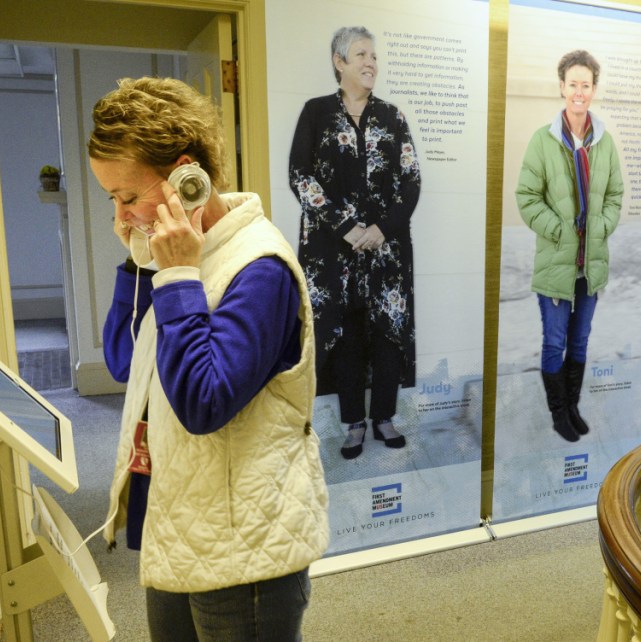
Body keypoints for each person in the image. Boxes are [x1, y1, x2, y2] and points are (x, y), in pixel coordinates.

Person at [91, 77, 328, 642]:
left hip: (242, 550)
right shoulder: (177, 254)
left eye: (129, 197)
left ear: (185, 176)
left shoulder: (258, 267)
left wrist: (174, 276)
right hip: (177, 525)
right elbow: (125, 363)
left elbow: (204, 402)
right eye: (112, 201)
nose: (121, 218)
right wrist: (142, 261)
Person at [289, 26, 421, 460]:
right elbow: (300, 176)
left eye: (374, 56)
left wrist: (381, 229)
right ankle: (353, 423)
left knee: (386, 332)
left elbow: (411, 180)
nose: (371, 63)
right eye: (361, 55)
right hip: (333, 250)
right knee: (344, 335)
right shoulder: (316, 113)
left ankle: (384, 416)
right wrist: (347, 227)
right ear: (339, 61)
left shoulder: (393, 116)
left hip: (387, 250)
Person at [516, 50, 624, 443]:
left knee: (580, 340)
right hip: (556, 262)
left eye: (586, 85)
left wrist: (599, 226)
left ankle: (574, 406)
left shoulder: (605, 142)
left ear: (594, 89)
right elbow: (527, 197)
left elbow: (615, 194)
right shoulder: (542, 142)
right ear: (562, 87)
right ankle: (559, 413)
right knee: (554, 341)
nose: (579, 92)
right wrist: (561, 231)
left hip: (590, 263)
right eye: (572, 84)